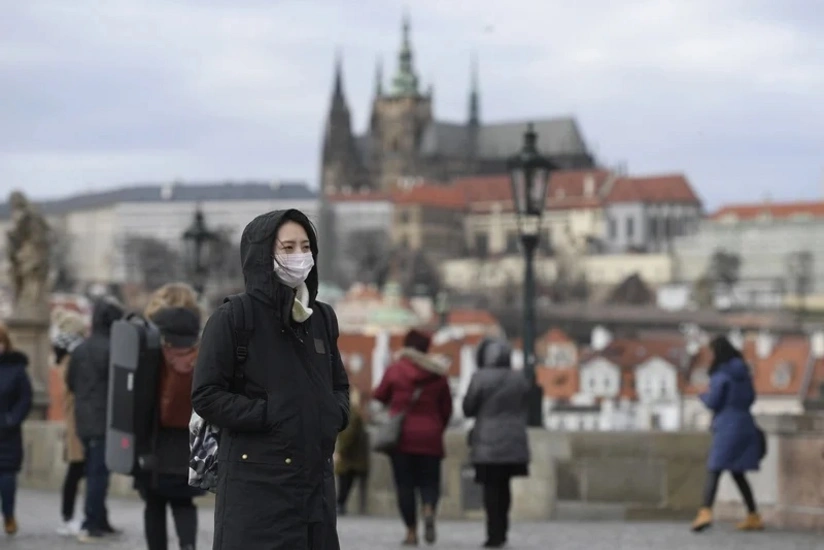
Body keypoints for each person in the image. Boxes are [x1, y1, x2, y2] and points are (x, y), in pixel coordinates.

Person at [191, 209, 349, 550]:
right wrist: (271, 414)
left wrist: (333, 414)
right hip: (256, 483)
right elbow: (206, 394)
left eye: (305, 247)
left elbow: (339, 385)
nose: (299, 256)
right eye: (288, 247)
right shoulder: (233, 317)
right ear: (263, 254)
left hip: (315, 485)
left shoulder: (321, 317)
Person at [373, 329, 452, 546]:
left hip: (402, 437)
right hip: (431, 436)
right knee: (430, 483)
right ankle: (428, 509)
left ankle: (411, 532)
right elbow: (446, 408)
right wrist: (437, 428)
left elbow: (379, 395)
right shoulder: (438, 373)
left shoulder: (396, 369)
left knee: (404, 485)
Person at [137, 298, 204, 550]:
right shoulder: (202, 356)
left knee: (154, 504)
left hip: (156, 442)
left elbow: (142, 402)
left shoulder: (154, 354)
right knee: (184, 503)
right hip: (190, 443)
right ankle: (188, 545)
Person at [692, 335, 764, 533]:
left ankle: (705, 512)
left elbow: (713, 401)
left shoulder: (721, 374)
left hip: (727, 426)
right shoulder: (743, 372)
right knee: (737, 472)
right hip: (745, 424)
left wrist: (702, 394)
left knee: (714, 469)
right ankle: (753, 515)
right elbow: (752, 397)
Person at [67, 296, 124, 543]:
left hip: (83, 417)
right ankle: (92, 522)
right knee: (99, 473)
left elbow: (70, 382)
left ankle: (99, 518)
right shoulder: (114, 349)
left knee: (94, 470)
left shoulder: (80, 349)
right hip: (105, 418)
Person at [463, 337, 529, 549]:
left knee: (490, 488)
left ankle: (493, 533)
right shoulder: (519, 378)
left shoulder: (480, 378)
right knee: (504, 486)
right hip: (513, 440)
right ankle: (503, 529)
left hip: (487, 440)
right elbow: (526, 403)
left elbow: (468, 408)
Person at [50, 309, 88, 536]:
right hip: (77, 420)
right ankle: (68, 517)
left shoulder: (66, 355)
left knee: (77, 470)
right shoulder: (71, 358)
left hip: (75, 419)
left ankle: (71, 516)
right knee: (76, 471)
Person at [0, 322, 33, 536]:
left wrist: (12, 419)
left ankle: (9, 515)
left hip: (7, 432)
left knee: (7, 477)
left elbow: (25, 398)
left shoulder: (16, 369)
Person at [334, 388, 370, 516]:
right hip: (354, 457)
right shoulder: (355, 413)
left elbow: (348, 435)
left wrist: (340, 451)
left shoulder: (352, 413)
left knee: (345, 481)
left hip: (349, 457)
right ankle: (341, 504)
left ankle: (340, 504)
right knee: (346, 481)